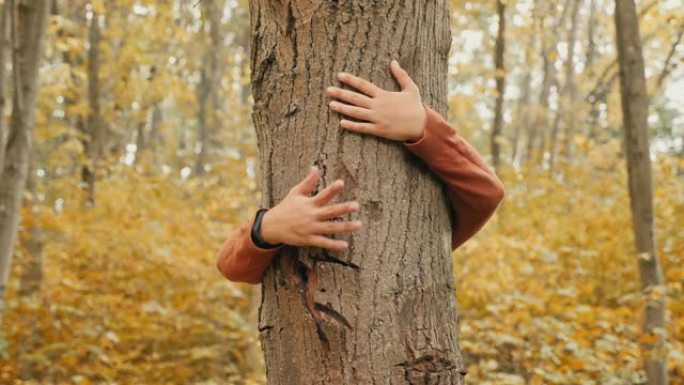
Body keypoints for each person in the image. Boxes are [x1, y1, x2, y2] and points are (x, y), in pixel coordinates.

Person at [216, 60, 505, 284]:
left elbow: (487, 193)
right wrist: (266, 228)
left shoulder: (429, 225)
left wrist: (424, 126)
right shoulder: (293, 211)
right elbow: (232, 266)